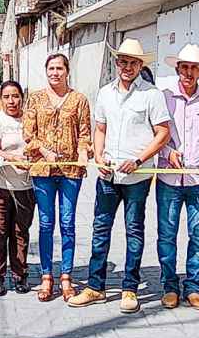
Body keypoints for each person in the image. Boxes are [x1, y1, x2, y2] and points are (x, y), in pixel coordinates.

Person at [68, 39, 171, 313]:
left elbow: (163, 133)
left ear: (140, 65)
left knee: (134, 231)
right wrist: (99, 156)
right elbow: (100, 128)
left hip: (137, 177)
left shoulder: (151, 95)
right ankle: (95, 287)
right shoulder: (104, 93)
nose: (127, 67)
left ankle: (130, 288)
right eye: (123, 61)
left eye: (133, 63)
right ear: (116, 63)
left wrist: (139, 159)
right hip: (108, 175)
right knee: (100, 230)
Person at [154, 44, 199, 311]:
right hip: (169, 179)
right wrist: (168, 151)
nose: (188, 72)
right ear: (177, 69)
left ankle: (194, 286)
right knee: (166, 234)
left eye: (193, 68)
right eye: (184, 67)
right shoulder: (163, 97)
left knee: (198, 233)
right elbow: (155, 131)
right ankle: (170, 286)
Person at [22, 53, 91, 302]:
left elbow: (85, 133)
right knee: (46, 223)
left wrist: (83, 152)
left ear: (67, 71)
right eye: (51, 68)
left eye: (59, 68)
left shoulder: (79, 100)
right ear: (46, 70)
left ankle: (66, 276)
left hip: (71, 171)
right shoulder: (36, 99)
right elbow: (28, 134)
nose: (55, 73)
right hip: (43, 170)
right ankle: (46, 276)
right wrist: (43, 150)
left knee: (68, 222)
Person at [0, 80, 35, 297]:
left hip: (25, 183)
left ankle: (20, 273)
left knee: (20, 230)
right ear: (0, 99)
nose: (11, 101)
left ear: (22, 97)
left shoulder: (30, 119)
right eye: (6, 97)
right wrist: (13, 157)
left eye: (15, 96)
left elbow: (37, 144)